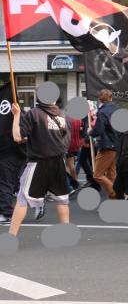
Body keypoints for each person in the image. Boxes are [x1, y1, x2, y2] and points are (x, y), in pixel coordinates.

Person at [7, 96, 71, 237]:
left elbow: (17, 137)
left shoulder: (34, 113)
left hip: (38, 162)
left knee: (23, 199)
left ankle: (11, 235)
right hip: (58, 161)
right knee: (61, 199)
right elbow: (63, 137)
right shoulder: (62, 115)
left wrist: (16, 115)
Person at [89, 89, 120, 199]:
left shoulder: (102, 112)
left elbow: (99, 129)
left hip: (107, 145)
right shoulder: (117, 109)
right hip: (116, 144)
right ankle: (114, 199)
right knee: (112, 174)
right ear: (111, 98)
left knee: (97, 175)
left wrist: (90, 132)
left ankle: (118, 194)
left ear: (100, 99)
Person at [0, 114, 26, 226]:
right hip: (21, 154)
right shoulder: (23, 116)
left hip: (9, 154)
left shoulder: (13, 117)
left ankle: (6, 213)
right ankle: (36, 200)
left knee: (6, 183)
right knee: (16, 183)